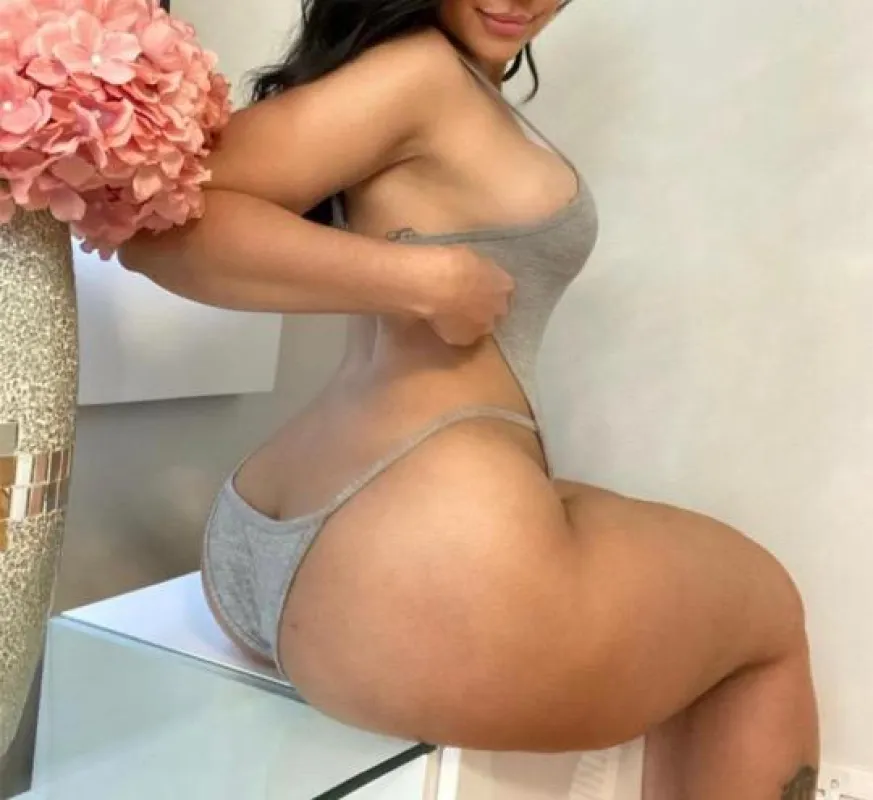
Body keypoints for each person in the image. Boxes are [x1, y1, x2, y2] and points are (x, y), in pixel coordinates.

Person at [118, 1, 820, 797]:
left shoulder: (438, 84)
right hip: (416, 549)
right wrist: (422, 279)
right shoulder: (418, 74)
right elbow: (160, 226)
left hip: (279, 528)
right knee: (766, 616)